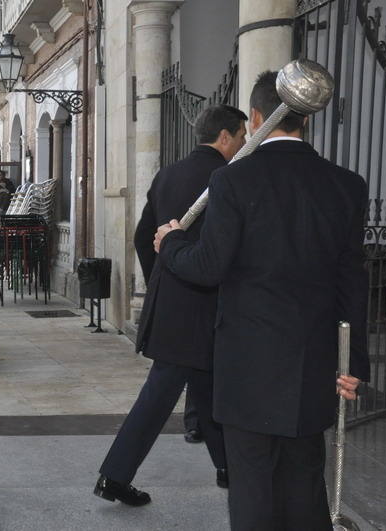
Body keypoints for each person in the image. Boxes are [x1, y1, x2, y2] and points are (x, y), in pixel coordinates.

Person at [155, 71, 369, 530]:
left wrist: (171, 243)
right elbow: (353, 280)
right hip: (314, 361)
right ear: (306, 118)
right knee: (305, 484)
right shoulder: (347, 185)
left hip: (248, 365)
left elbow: (207, 267)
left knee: (252, 489)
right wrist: (353, 363)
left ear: (255, 117)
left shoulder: (232, 180)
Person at [94, 104, 247, 506]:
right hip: (207, 307)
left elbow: (144, 236)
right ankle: (114, 476)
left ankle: (229, 468)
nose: (244, 143)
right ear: (225, 137)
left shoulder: (168, 175)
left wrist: (165, 278)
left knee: (208, 391)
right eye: (242, 136)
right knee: (159, 397)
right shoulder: (228, 178)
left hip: (173, 303)